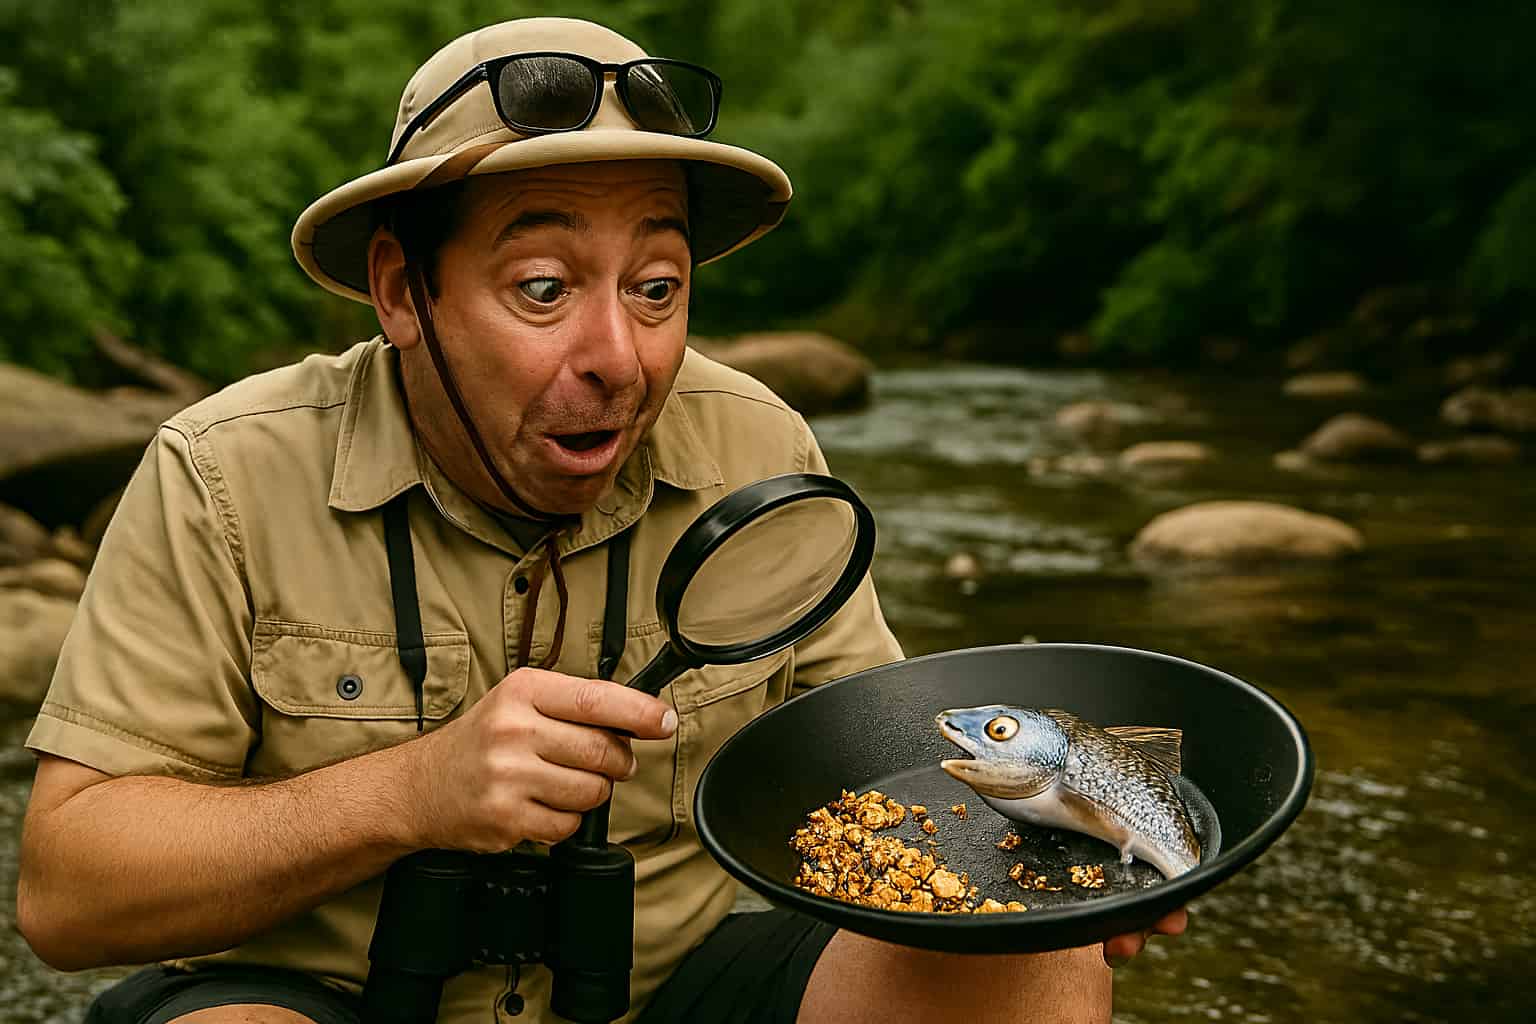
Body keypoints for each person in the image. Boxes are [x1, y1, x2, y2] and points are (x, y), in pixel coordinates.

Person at [15, 17, 1183, 1024]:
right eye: (543, 288)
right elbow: (68, 895)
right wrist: (406, 794)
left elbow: (885, 771)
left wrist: (1049, 855)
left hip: (673, 989)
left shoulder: (761, 448)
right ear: (400, 290)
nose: (619, 358)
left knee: (1032, 956)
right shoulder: (221, 473)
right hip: (321, 994)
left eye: (656, 288)